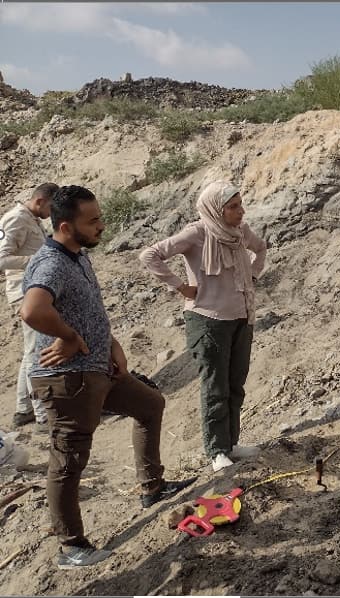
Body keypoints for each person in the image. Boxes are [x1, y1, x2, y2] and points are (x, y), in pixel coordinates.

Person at [20, 185, 195, 569]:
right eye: (93, 220)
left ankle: (152, 487)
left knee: (150, 406)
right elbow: (32, 311)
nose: (102, 225)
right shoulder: (51, 263)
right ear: (66, 226)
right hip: (67, 380)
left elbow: (87, 309)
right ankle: (72, 547)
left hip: (99, 369)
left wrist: (111, 344)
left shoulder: (77, 255)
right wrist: (69, 337)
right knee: (68, 462)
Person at [139, 180, 266, 472]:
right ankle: (217, 450)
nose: (241, 211)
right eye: (233, 207)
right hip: (208, 321)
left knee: (235, 384)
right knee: (215, 386)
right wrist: (181, 287)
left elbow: (260, 250)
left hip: (241, 318)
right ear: (216, 209)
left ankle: (231, 443)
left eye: (240, 204)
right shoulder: (198, 232)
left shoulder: (239, 232)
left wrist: (253, 277)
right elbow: (150, 255)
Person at [0, 183, 56, 430]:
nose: (53, 213)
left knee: (31, 350)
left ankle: (23, 409)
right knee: (36, 351)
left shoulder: (31, 218)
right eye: (52, 206)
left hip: (33, 289)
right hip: (25, 292)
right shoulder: (16, 219)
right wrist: (37, 259)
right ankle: (42, 414)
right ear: (41, 200)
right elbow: (1, 258)